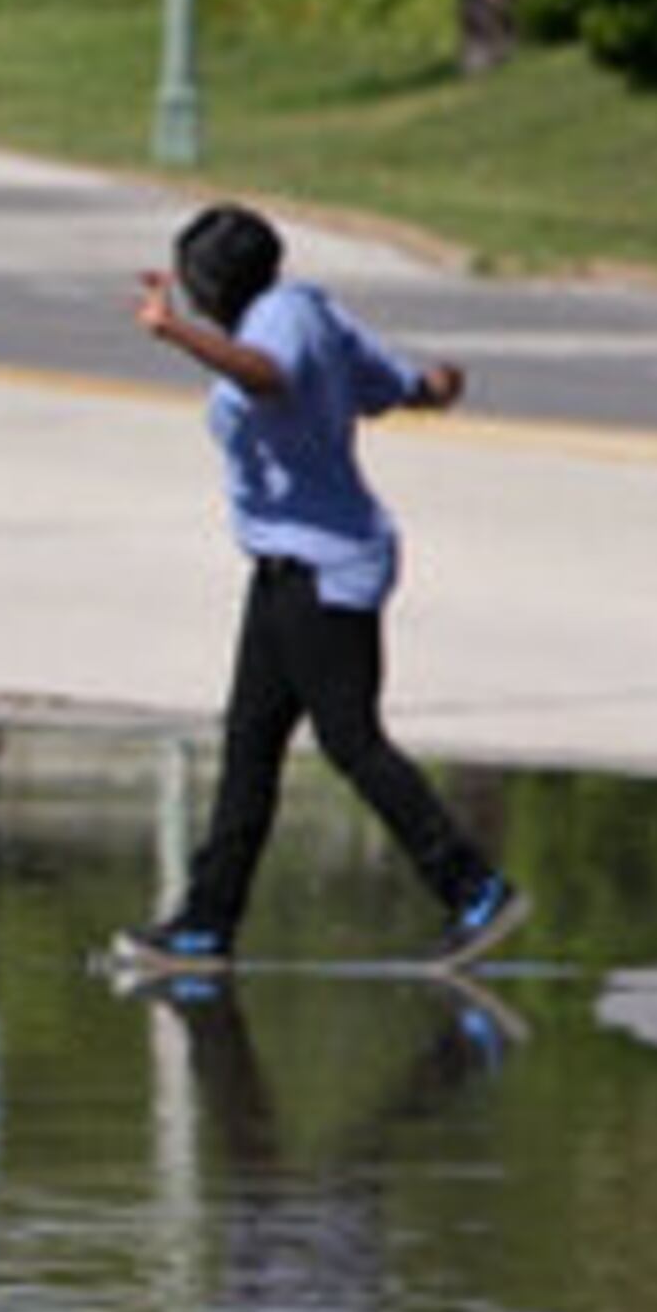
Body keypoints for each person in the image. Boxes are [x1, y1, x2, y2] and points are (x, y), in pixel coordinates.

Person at [114, 204, 525, 972]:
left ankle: (475, 888)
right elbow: (392, 383)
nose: (193, 297)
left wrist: (171, 332)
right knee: (249, 746)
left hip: (328, 568)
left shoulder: (282, 327)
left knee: (351, 740)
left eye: (195, 283)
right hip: (282, 567)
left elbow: (270, 379)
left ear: (217, 283)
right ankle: (206, 923)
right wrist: (434, 386)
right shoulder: (307, 309)